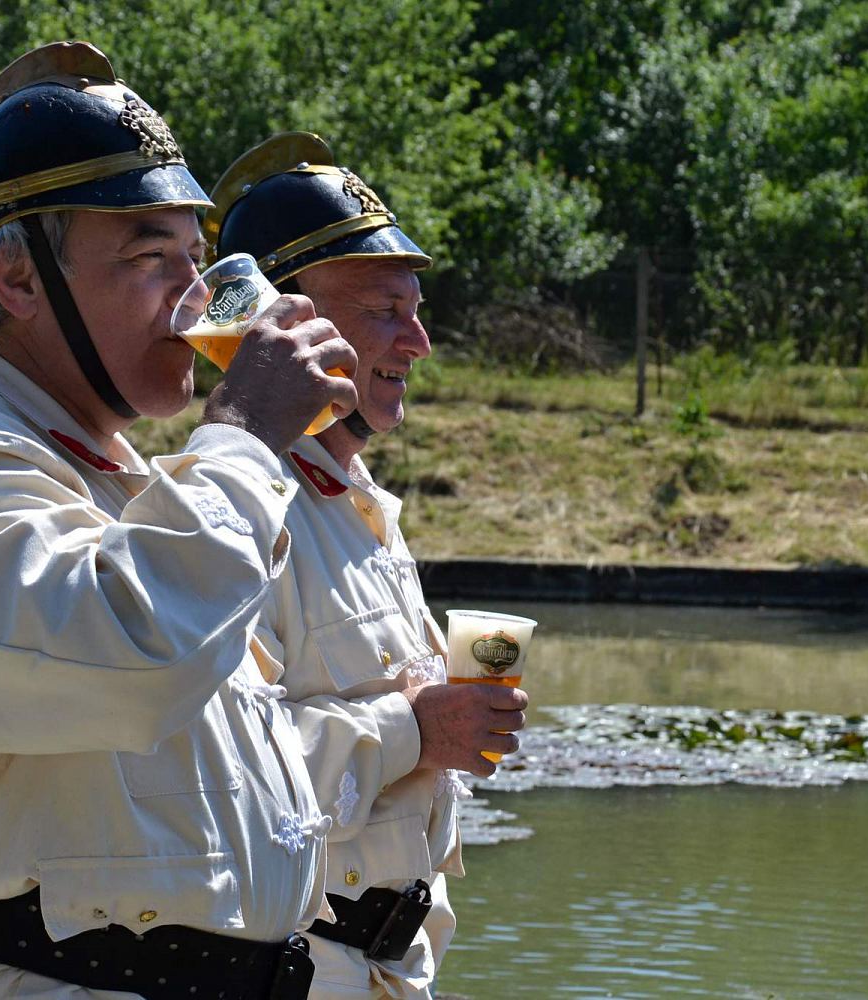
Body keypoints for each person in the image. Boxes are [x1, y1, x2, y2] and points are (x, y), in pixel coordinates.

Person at [0, 43, 358, 999]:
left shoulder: (114, 473)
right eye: (151, 258)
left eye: (197, 258)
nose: (195, 302)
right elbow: (133, 655)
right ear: (21, 282)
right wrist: (242, 435)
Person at [205, 133, 529, 998]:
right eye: (385, 309)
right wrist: (419, 729)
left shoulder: (361, 503)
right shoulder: (232, 513)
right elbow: (211, 782)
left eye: (415, 309)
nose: (418, 341)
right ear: (286, 323)